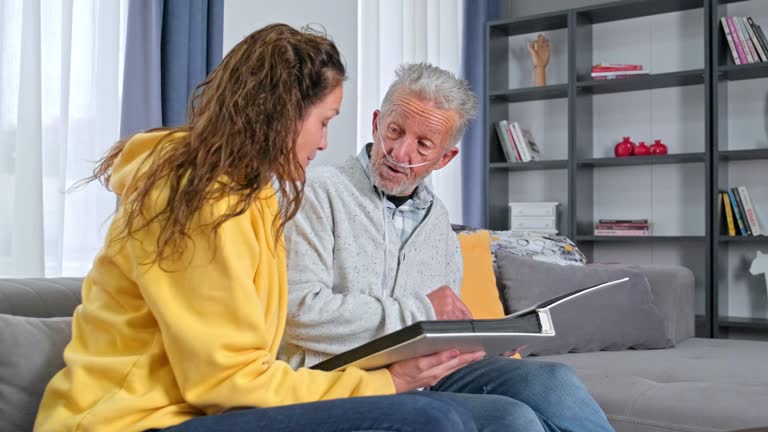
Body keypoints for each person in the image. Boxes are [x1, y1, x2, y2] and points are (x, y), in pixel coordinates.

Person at [33, 24, 484, 432]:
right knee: (429, 419)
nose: (325, 142)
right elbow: (229, 381)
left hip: (201, 409)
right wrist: (387, 382)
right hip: (127, 421)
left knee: (467, 413)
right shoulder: (199, 199)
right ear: (284, 114)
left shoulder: (256, 198)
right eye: (324, 121)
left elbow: (241, 370)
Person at [281, 62, 616, 432]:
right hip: (348, 376)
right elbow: (298, 312)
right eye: (394, 131)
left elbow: (441, 325)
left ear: (445, 158)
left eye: (423, 144)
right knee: (511, 418)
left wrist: (482, 340)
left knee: (554, 381)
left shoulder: (437, 220)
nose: (400, 152)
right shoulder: (316, 192)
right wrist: (421, 310)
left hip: (428, 371)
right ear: (377, 122)